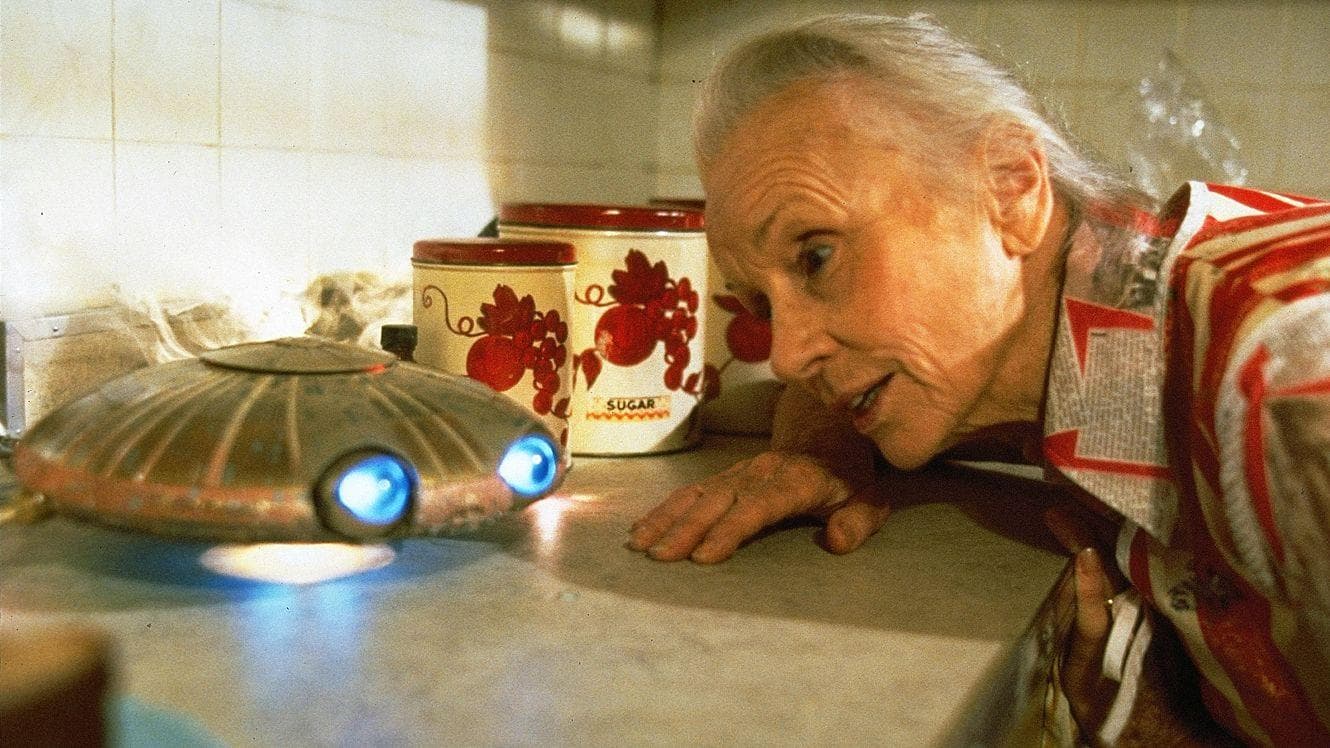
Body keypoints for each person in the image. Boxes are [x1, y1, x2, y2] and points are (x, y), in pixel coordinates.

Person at [625, 13, 1330, 746]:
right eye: (765, 307)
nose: (789, 355)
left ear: (1011, 189)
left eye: (817, 257)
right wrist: (826, 445)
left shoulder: (1287, 387)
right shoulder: (1082, 342)